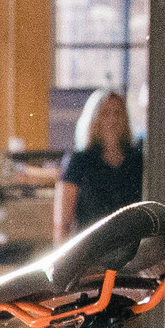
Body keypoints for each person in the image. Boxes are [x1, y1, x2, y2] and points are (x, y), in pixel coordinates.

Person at [59, 86, 144, 232]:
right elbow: (63, 222)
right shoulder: (79, 161)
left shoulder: (137, 160)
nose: (112, 119)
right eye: (105, 113)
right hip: (91, 246)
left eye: (118, 113)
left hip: (131, 244)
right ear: (94, 119)